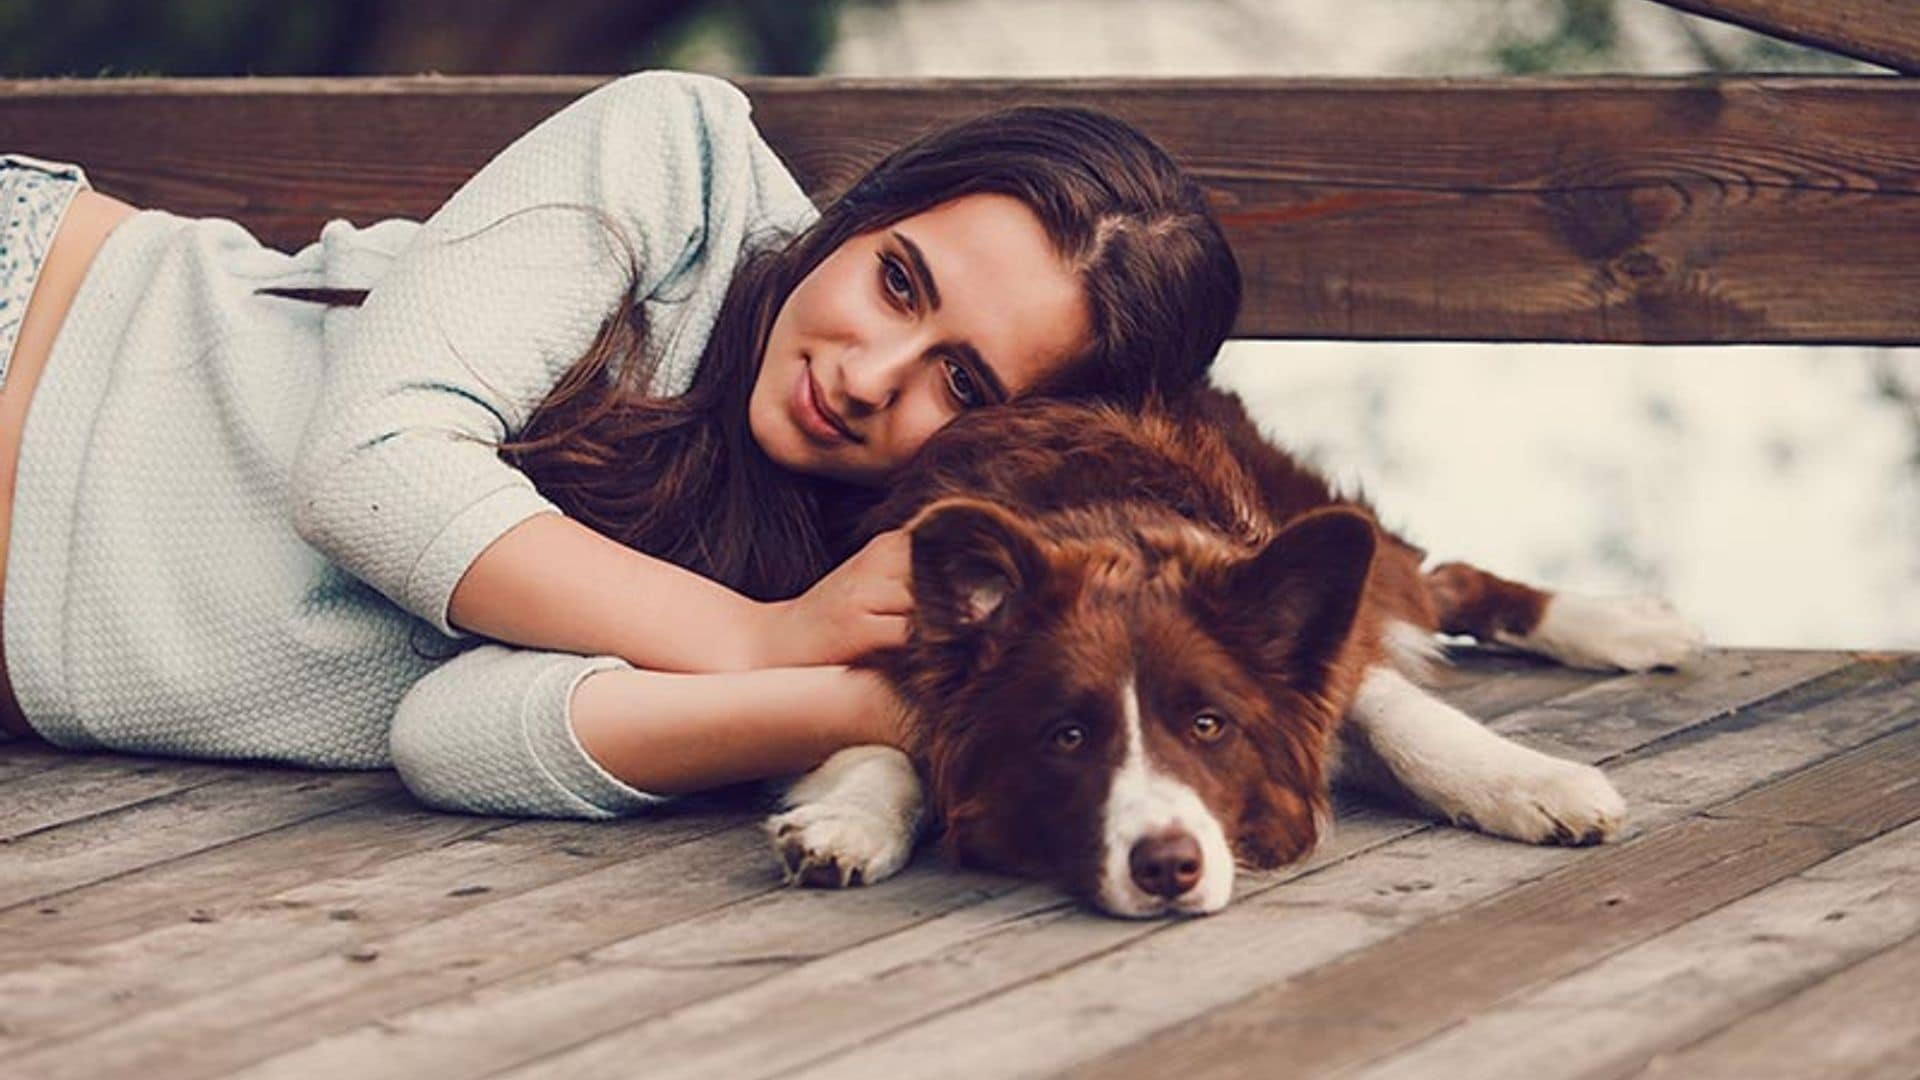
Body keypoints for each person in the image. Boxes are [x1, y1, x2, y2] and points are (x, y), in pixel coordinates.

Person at [0, 70, 1241, 819]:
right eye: (898, 282)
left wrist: (890, 705)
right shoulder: (680, 166)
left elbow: (450, 737)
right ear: (864, 214)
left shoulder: (850, 580)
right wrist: (754, 640)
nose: (866, 377)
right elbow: (372, 467)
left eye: (960, 383)